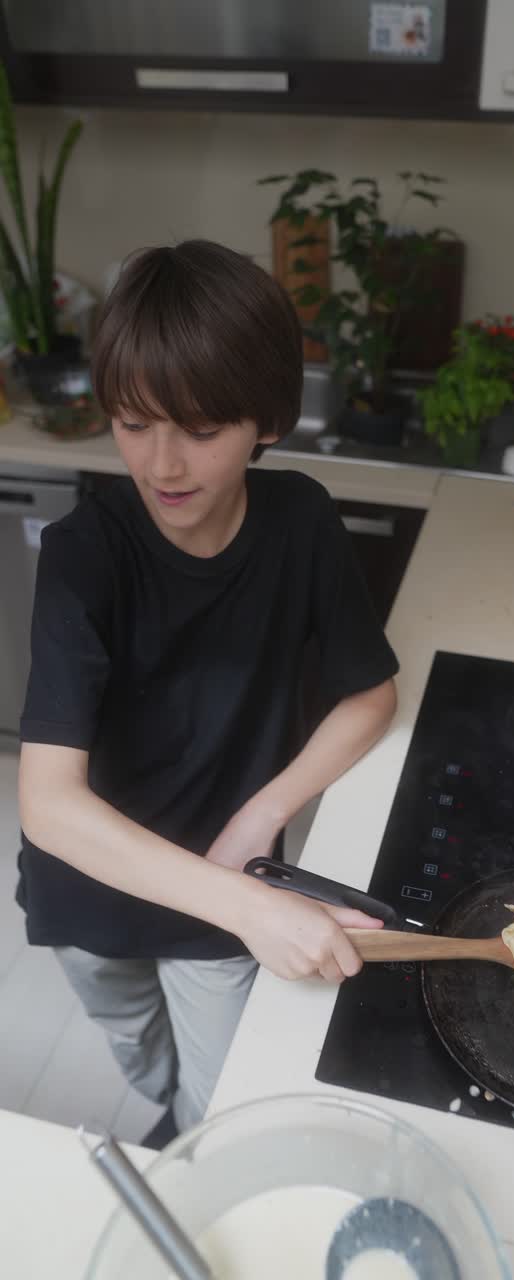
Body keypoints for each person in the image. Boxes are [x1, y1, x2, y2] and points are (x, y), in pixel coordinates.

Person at [16, 240, 398, 1145]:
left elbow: (369, 696)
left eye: (199, 430)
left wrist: (257, 819)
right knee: (133, 1040)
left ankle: (191, 1141)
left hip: (224, 888)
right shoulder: (84, 556)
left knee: (222, 1096)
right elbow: (46, 802)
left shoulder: (301, 520)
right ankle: (167, 1122)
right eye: (134, 423)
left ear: (266, 419)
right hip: (90, 893)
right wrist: (253, 904)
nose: (162, 466)